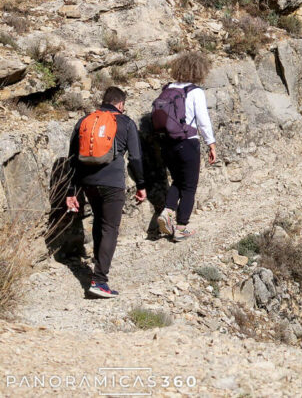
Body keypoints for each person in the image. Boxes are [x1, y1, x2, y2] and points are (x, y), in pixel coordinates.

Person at [66, 87, 145, 298]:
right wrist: (141, 185)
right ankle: (99, 281)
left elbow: (72, 158)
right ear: (120, 104)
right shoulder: (126, 122)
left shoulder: (85, 121)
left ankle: (97, 269)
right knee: (110, 228)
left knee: (100, 223)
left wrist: (71, 191)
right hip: (112, 184)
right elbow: (135, 158)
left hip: (88, 183)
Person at [155, 51, 216, 243]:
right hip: (188, 142)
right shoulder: (194, 92)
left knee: (178, 180)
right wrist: (211, 143)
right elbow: (203, 120)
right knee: (189, 186)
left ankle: (167, 211)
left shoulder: (167, 89)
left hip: (167, 143)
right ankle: (181, 227)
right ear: (199, 71)